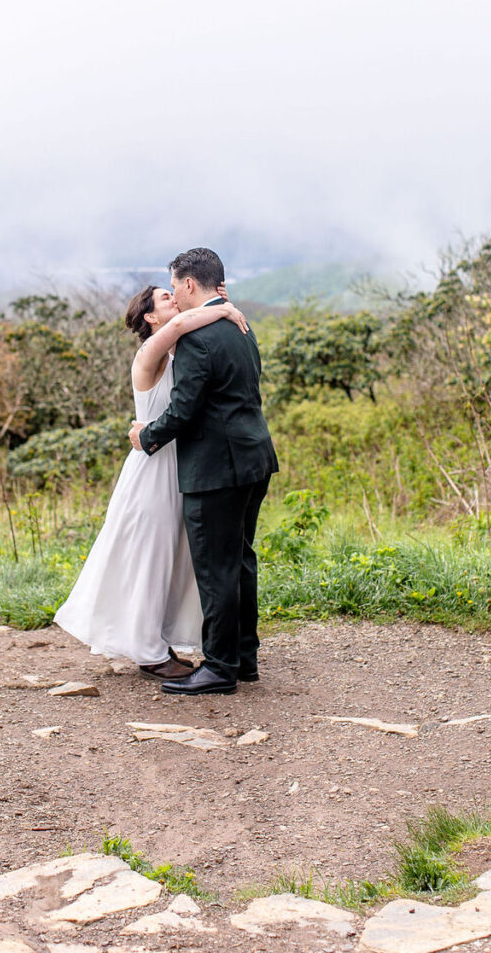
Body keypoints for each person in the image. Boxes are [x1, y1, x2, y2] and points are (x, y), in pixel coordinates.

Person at [54, 282, 249, 679]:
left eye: (174, 294)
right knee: (149, 557)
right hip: (152, 470)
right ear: (150, 317)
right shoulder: (150, 351)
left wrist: (220, 303)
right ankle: (148, 653)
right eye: (165, 298)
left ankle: (159, 639)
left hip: (179, 466)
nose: (174, 300)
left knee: (172, 559)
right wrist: (224, 309)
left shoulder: (182, 349)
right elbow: (182, 325)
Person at [129, 247, 279, 695]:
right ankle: (242, 659)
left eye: (174, 285)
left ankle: (217, 667)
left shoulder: (198, 338)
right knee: (241, 562)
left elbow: (185, 410)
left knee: (216, 569)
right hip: (254, 457)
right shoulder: (241, 325)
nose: (173, 293)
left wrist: (147, 437)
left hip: (217, 467)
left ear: (189, 284)